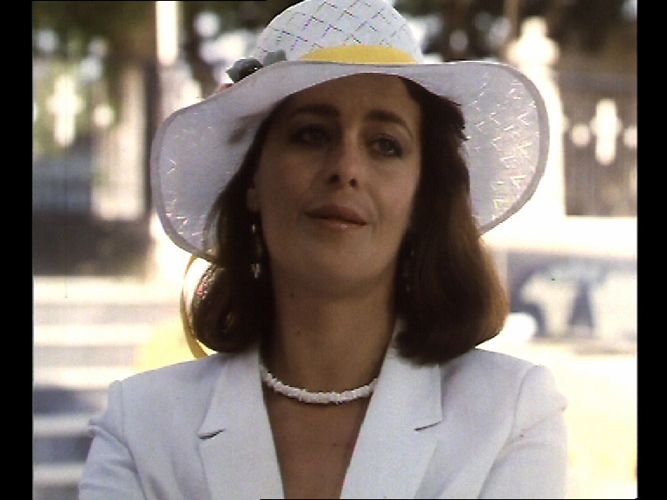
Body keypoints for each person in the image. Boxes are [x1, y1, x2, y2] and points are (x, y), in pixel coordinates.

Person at [79, 0, 567, 498]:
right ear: (253, 179)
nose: (346, 168)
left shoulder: (509, 415)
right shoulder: (141, 427)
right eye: (312, 135)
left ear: (423, 196)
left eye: (385, 144)